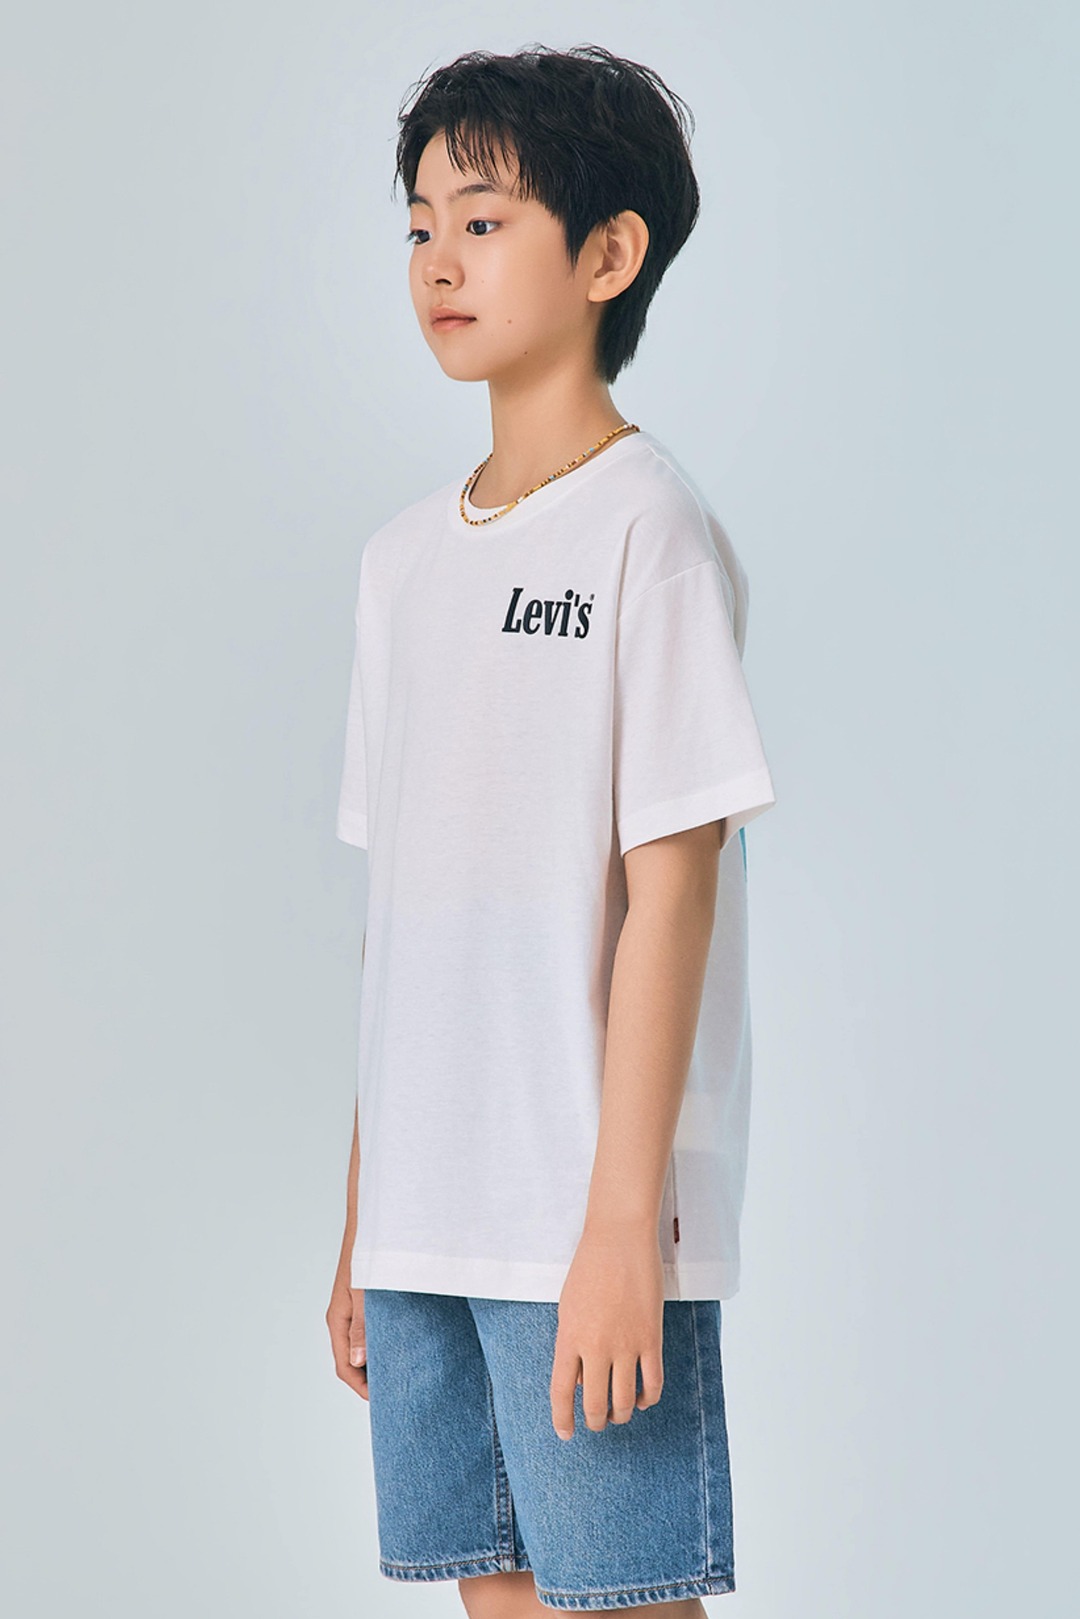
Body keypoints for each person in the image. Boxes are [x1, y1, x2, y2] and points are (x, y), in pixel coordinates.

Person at [326, 43, 777, 1617]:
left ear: (607, 253)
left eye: (484, 220)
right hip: (426, 1226)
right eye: (419, 226)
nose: (438, 260)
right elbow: (404, 931)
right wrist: (362, 1225)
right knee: (493, 1597)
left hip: (582, 1213)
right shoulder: (399, 566)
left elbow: (674, 895)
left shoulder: (650, 528)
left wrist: (620, 1231)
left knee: (626, 1603)